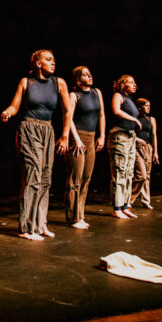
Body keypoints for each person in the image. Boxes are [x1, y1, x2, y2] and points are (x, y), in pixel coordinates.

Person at [1, 50, 71, 240]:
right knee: (33, 175)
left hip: (48, 130)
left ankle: (40, 224)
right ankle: (26, 228)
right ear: (38, 64)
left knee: (45, 178)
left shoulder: (59, 83)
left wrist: (64, 135)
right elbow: (15, 106)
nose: (53, 63)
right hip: (29, 129)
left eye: (54, 60)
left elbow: (67, 111)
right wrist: (8, 111)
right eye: (48, 60)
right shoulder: (26, 82)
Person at [64, 66, 105, 229]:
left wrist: (102, 135)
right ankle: (72, 217)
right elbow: (69, 118)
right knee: (75, 179)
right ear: (78, 79)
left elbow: (101, 115)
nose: (89, 76)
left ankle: (80, 215)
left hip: (92, 137)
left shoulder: (97, 93)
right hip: (78, 138)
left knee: (86, 179)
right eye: (85, 75)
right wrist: (75, 138)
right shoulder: (74, 95)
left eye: (90, 73)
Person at [107, 75, 142, 219]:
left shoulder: (130, 100)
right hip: (120, 135)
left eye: (135, 83)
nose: (134, 85)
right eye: (131, 82)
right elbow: (116, 110)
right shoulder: (118, 95)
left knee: (128, 172)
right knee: (120, 171)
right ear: (122, 84)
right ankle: (117, 207)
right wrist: (134, 119)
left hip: (130, 136)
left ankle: (125, 205)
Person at [131, 98, 159, 209]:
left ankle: (146, 200)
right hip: (137, 148)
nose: (149, 107)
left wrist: (155, 152)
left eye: (149, 105)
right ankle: (129, 199)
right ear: (139, 107)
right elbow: (130, 133)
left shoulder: (151, 119)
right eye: (146, 105)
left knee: (147, 176)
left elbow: (153, 135)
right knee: (141, 175)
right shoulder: (134, 119)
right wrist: (137, 140)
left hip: (148, 148)